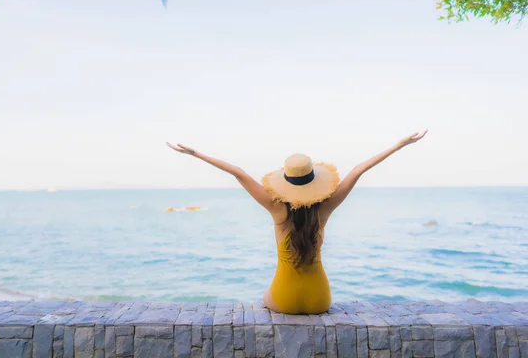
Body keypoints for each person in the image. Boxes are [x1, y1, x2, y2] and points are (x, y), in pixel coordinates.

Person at [166, 131, 427, 314]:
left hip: (283, 299)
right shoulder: (325, 209)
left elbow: (238, 172)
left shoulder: (277, 210)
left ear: (286, 181)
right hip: (320, 300)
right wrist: (400, 145)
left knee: (264, 297)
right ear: (314, 180)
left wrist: (195, 153)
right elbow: (359, 169)